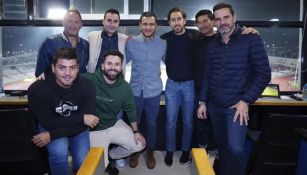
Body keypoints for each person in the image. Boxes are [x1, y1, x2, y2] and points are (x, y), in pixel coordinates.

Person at [197, 3, 271, 175]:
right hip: (215, 106)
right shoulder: (212, 45)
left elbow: (264, 74)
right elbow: (207, 75)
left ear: (234, 18)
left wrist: (246, 101)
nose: (222, 22)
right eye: (218, 19)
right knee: (222, 147)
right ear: (214, 22)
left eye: (226, 17)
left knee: (236, 149)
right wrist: (203, 102)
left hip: (237, 107)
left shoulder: (251, 38)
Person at [28, 47, 99, 175]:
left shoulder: (87, 85)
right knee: (59, 153)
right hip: (52, 125)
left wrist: (52, 135)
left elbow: (86, 123)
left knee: (83, 161)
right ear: (53, 68)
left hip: (77, 128)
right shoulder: (37, 89)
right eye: (62, 67)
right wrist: (81, 118)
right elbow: (50, 123)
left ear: (78, 68)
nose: (68, 73)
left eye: (72, 68)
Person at [83, 50, 146, 175]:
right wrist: (46, 75)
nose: (113, 67)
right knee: (99, 167)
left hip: (113, 125)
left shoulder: (125, 87)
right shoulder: (89, 80)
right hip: (95, 131)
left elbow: (131, 110)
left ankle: (112, 155)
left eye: (117, 64)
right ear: (102, 66)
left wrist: (136, 131)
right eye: (109, 63)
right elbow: (68, 79)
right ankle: (105, 160)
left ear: (121, 67)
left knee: (140, 144)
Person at [125, 11, 166, 169]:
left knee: (151, 123)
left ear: (155, 26)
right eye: (145, 24)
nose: (148, 27)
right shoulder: (131, 42)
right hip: (134, 91)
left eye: (151, 24)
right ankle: (135, 151)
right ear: (140, 25)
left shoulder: (163, 44)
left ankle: (150, 151)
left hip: (154, 91)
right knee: (135, 123)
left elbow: (170, 61)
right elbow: (122, 61)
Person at [160, 7, 200, 166]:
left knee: (188, 121)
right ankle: (169, 150)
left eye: (179, 19)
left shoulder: (195, 35)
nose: (176, 22)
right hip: (171, 85)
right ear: (169, 22)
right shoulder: (164, 38)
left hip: (189, 84)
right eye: (173, 20)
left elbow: (215, 35)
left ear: (184, 20)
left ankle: (185, 150)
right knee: (170, 121)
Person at [35, 9, 89, 79]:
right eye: (69, 21)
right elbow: (40, 73)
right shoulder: (49, 42)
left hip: (79, 88)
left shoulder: (86, 45)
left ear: (81, 25)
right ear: (63, 23)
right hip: (55, 88)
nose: (73, 25)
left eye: (76, 22)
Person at [87, 8, 128, 74]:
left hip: (116, 81)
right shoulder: (91, 36)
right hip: (94, 81)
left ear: (118, 23)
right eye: (109, 20)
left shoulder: (125, 39)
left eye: (115, 21)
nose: (112, 24)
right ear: (103, 21)